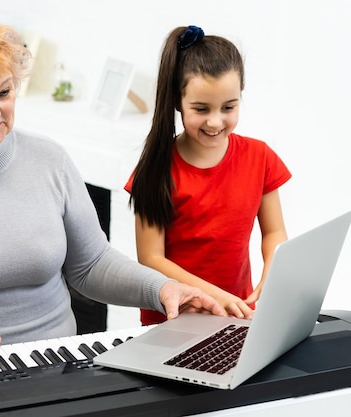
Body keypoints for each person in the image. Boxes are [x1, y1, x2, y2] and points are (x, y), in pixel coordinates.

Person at [0, 16, 226, 363]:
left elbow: (91, 265)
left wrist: (164, 289)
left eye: (3, 92)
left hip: (56, 363)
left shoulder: (50, 160)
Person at [125, 25, 292, 325]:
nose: (215, 121)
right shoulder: (155, 169)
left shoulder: (260, 157)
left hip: (236, 314)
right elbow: (151, 258)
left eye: (229, 107)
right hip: (171, 320)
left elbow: (274, 231)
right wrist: (216, 295)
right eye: (201, 109)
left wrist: (274, 270)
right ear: (178, 101)